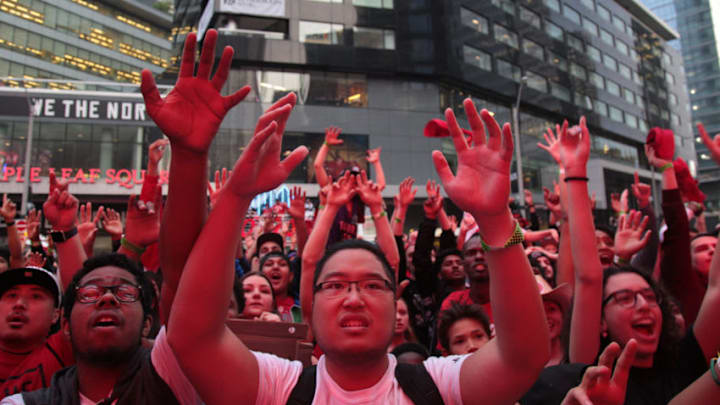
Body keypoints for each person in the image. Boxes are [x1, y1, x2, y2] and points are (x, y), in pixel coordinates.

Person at [166, 97, 550, 404]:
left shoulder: (440, 387)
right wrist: (236, 196)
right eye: (333, 286)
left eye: (372, 285)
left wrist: (496, 219)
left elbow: (523, 356)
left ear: (396, 297)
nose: (353, 299)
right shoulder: (277, 389)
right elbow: (191, 338)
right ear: (310, 305)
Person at [0, 267, 69, 398]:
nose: (19, 304)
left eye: (36, 296)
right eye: (12, 295)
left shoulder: (62, 352)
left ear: (56, 315)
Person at [259, 252, 300, 322]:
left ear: (291, 276)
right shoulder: (252, 306)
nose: (275, 267)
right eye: (269, 264)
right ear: (260, 275)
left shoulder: (301, 309)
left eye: (282, 264)